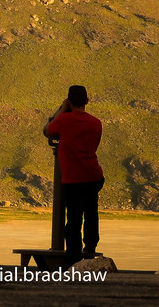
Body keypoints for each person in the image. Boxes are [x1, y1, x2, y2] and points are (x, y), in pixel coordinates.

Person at [44, 84, 104, 268]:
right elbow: (93, 147)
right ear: (87, 101)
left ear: (69, 101)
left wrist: (62, 110)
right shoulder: (96, 123)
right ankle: (90, 247)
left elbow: (47, 130)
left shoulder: (63, 121)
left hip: (73, 179)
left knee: (74, 217)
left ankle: (73, 256)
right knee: (91, 213)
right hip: (93, 176)